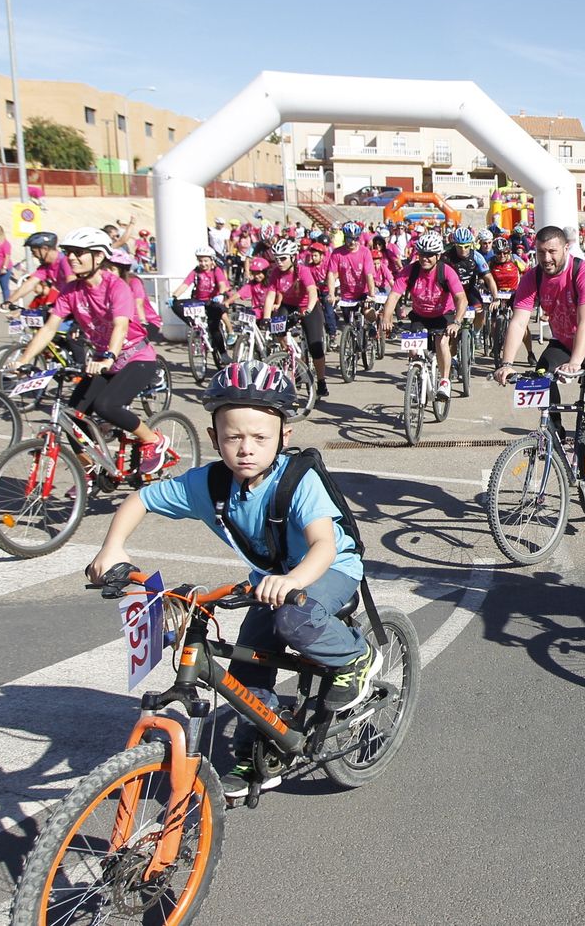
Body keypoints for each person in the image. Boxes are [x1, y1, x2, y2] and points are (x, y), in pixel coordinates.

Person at [86, 361, 376, 799]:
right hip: (271, 580)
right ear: (213, 438)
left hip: (328, 569)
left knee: (293, 623)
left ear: (284, 437)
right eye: (232, 436)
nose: (245, 448)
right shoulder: (208, 484)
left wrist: (292, 579)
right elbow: (141, 499)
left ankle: (354, 658)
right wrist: (112, 548)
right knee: (247, 662)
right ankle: (259, 748)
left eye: (260, 437)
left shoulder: (298, 481)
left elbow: (323, 546)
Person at [7, 228, 172, 471]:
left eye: (78, 253)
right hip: (103, 361)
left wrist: (109, 357)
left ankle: (153, 440)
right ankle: (89, 471)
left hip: (135, 357)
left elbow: (120, 326)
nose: (71, 258)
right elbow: (49, 328)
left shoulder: (116, 286)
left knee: (107, 406)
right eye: (69, 253)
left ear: (98, 257)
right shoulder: (70, 291)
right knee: (72, 418)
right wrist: (23, 359)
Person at [493, 226, 585, 520]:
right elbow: (518, 321)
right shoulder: (533, 276)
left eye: (552, 251)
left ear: (566, 249)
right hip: (563, 343)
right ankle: (555, 429)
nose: (546, 258)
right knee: (539, 374)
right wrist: (506, 362)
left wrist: (576, 363)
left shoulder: (584, 273)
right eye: (540, 252)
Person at [380, 230, 466, 398]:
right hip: (420, 315)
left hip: (443, 315)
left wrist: (456, 321)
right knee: (413, 351)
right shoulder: (409, 271)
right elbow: (394, 296)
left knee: (442, 343)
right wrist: (386, 318)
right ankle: (417, 377)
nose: (425, 258)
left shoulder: (447, 272)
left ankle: (444, 382)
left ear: (438, 256)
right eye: (421, 254)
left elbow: (461, 299)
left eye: (429, 255)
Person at [261, 237, 330, 399]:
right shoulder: (276, 273)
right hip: (288, 305)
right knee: (277, 329)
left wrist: (309, 309)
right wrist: (266, 317)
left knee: (315, 346)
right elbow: (270, 296)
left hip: (308, 306)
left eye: (283, 258)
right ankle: (291, 357)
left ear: (293, 257)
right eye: (276, 258)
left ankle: (321, 381)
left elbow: (313, 292)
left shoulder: (303, 271)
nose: (279, 262)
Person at [171, 246, 233, 364]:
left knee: (214, 327)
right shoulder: (195, 271)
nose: (203, 263)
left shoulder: (216, 271)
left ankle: (223, 353)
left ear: (211, 260)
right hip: (198, 301)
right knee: (175, 305)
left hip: (212, 301)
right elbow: (185, 284)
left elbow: (222, 284)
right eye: (200, 260)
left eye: (205, 260)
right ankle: (194, 325)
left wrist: (220, 294)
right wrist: (173, 296)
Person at [106, 248, 161, 338]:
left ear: (122, 271)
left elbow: (138, 304)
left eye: (112, 269)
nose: (108, 272)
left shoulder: (134, 282)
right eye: (105, 268)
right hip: (124, 320)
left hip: (147, 320)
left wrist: (143, 322)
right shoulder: (108, 284)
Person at [6, 231, 70, 309]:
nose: (34, 255)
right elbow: (30, 283)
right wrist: (9, 301)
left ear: (45, 249)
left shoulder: (65, 261)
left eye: (34, 252)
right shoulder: (46, 266)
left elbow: (72, 286)